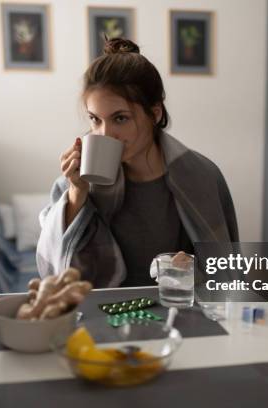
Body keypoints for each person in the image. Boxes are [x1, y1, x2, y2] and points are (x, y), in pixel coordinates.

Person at [36, 38, 238, 287]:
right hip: (103, 316)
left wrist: (193, 270)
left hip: (176, 314)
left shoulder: (203, 178)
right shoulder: (76, 182)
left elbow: (226, 275)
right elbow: (55, 273)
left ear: (155, 113)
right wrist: (78, 192)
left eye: (120, 118)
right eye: (95, 119)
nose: (104, 134)